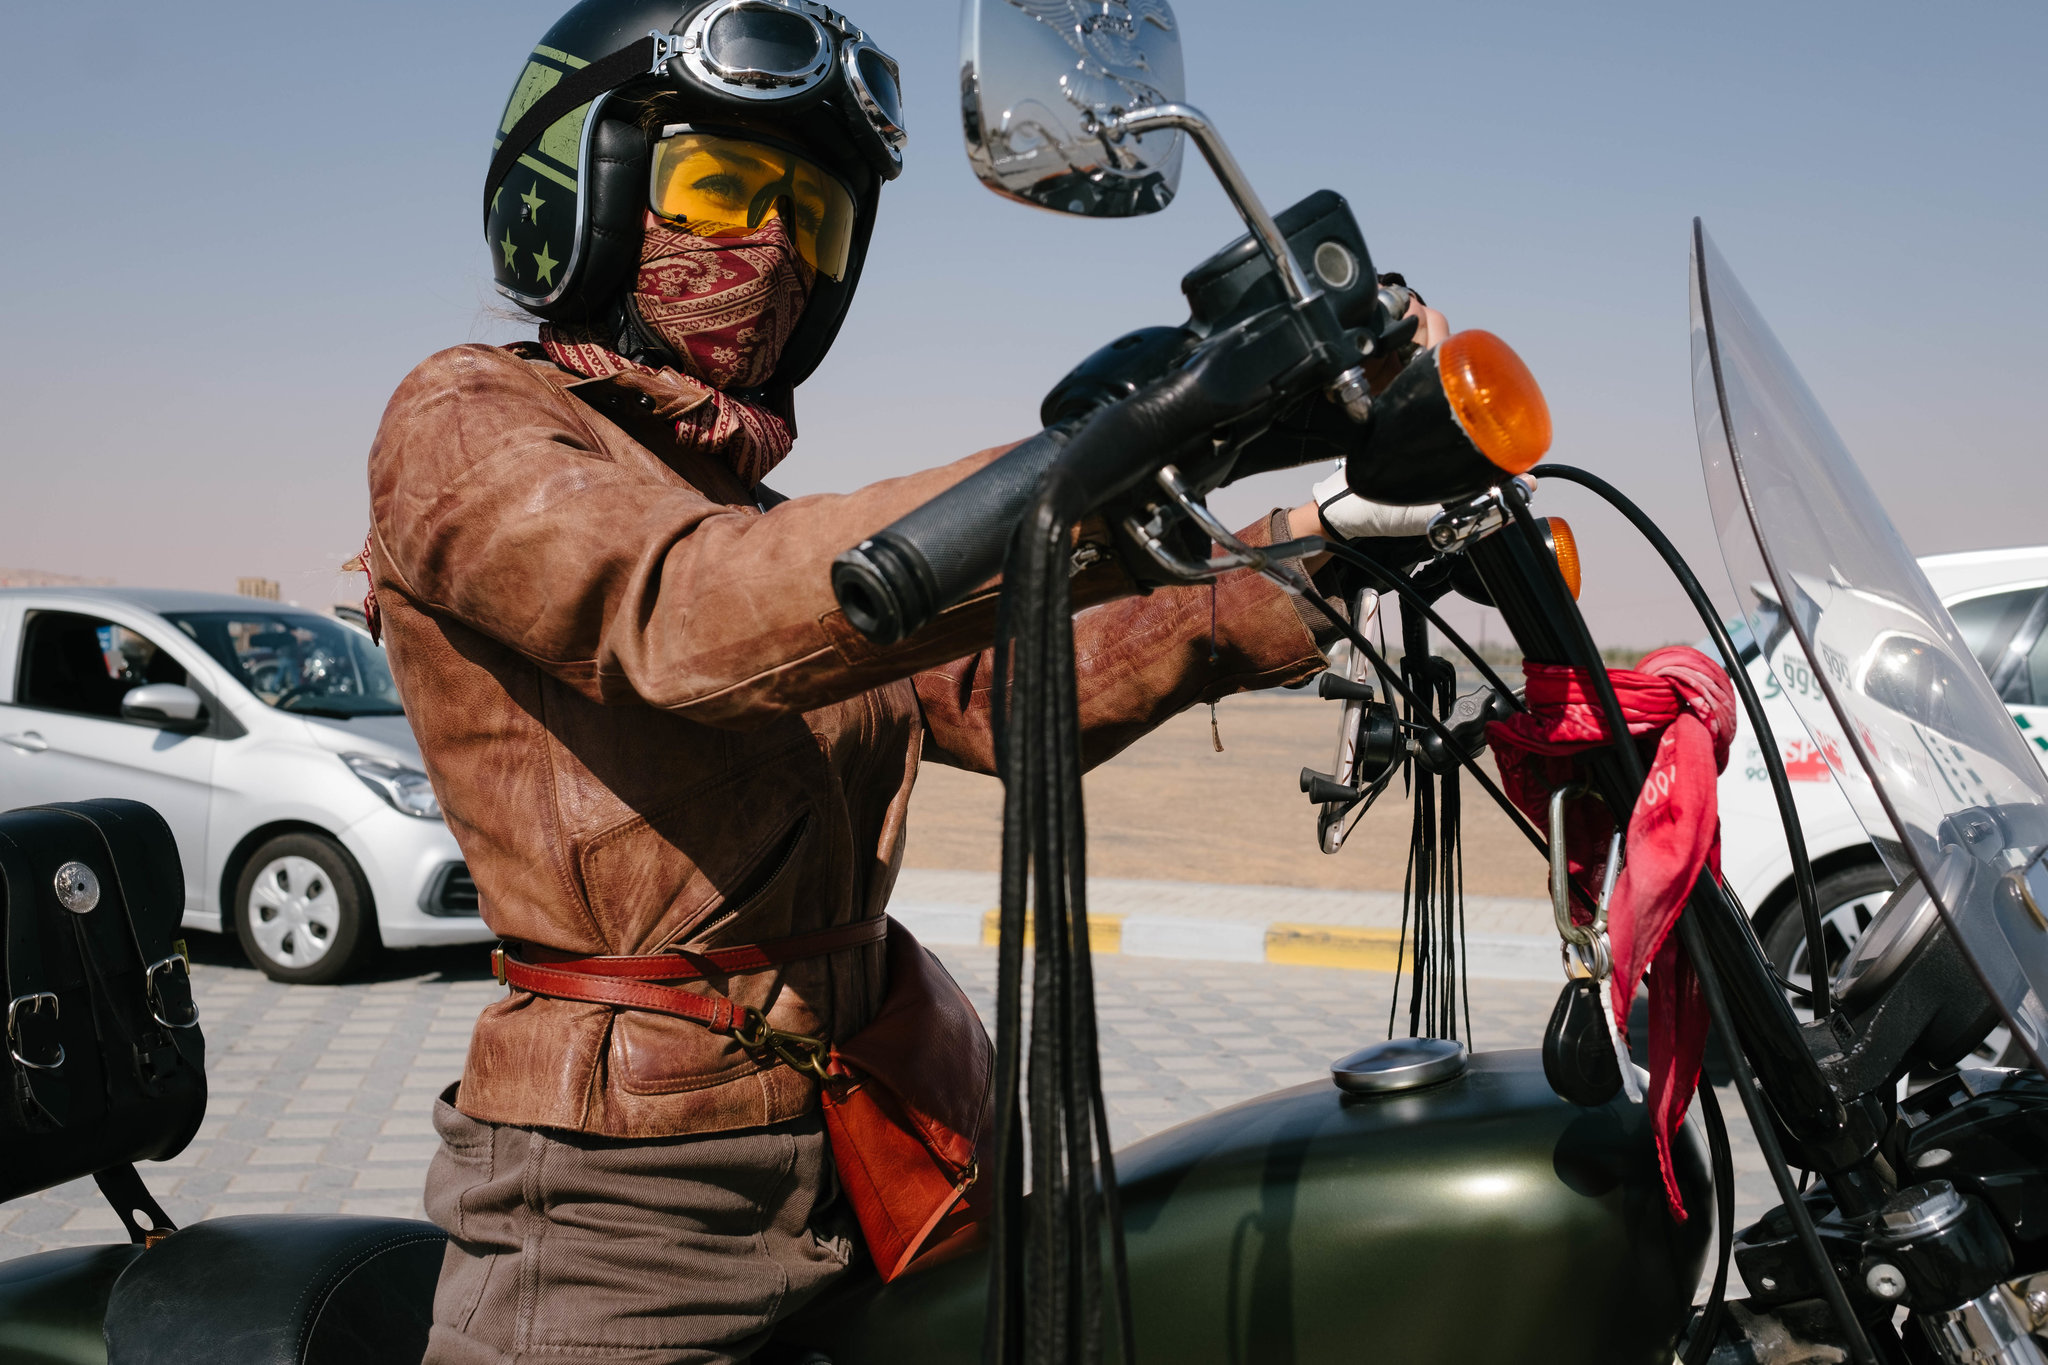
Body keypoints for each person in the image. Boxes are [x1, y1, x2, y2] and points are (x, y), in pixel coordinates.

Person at [363, 2, 1447, 1360]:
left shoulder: (750, 521)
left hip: (883, 1137)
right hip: (629, 1208)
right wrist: (1131, 437)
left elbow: (989, 687)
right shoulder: (467, 424)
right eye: (721, 189)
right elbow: (678, 614)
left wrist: (1312, 551)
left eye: (811, 221)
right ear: (587, 178)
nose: (772, 251)